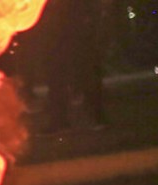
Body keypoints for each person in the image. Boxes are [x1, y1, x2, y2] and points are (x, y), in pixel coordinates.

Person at [40, 0, 108, 133]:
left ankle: (95, 116)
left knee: (85, 71)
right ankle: (59, 120)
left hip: (78, 21)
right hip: (57, 25)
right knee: (56, 73)